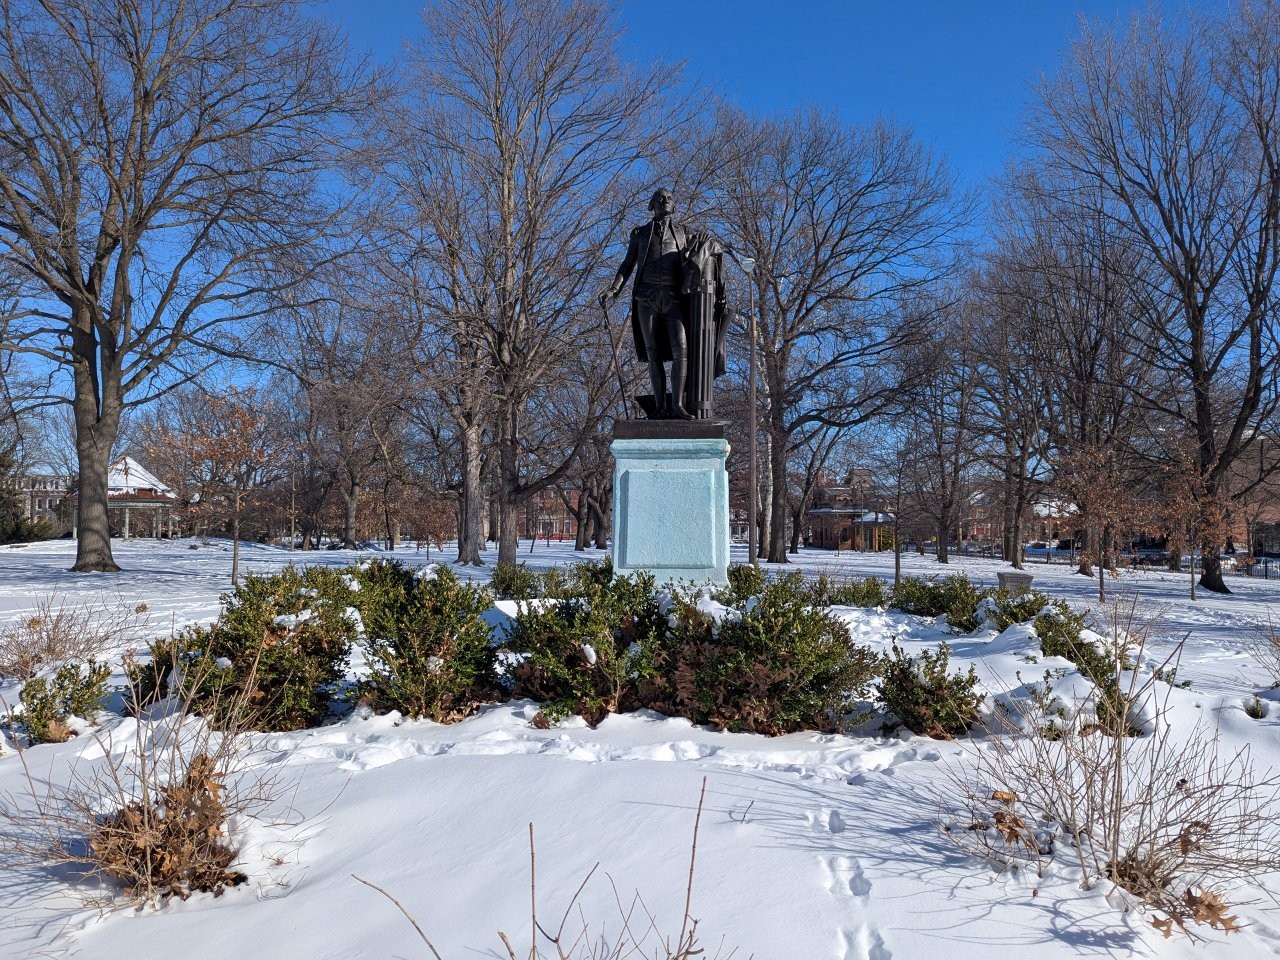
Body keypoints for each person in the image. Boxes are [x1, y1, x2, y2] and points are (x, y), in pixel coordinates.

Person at [600, 188, 695, 419]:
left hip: (674, 299)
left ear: (674, 205)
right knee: (653, 353)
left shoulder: (685, 234)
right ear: (651, 204)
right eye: (660, 198)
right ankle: (660, 407)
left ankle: (677, 405)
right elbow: (627, 264)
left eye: (669, 198)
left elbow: (700, 261)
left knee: (680, 349)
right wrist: (614, 289)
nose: (665, 201)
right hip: (646, 298)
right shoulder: (640, 234)